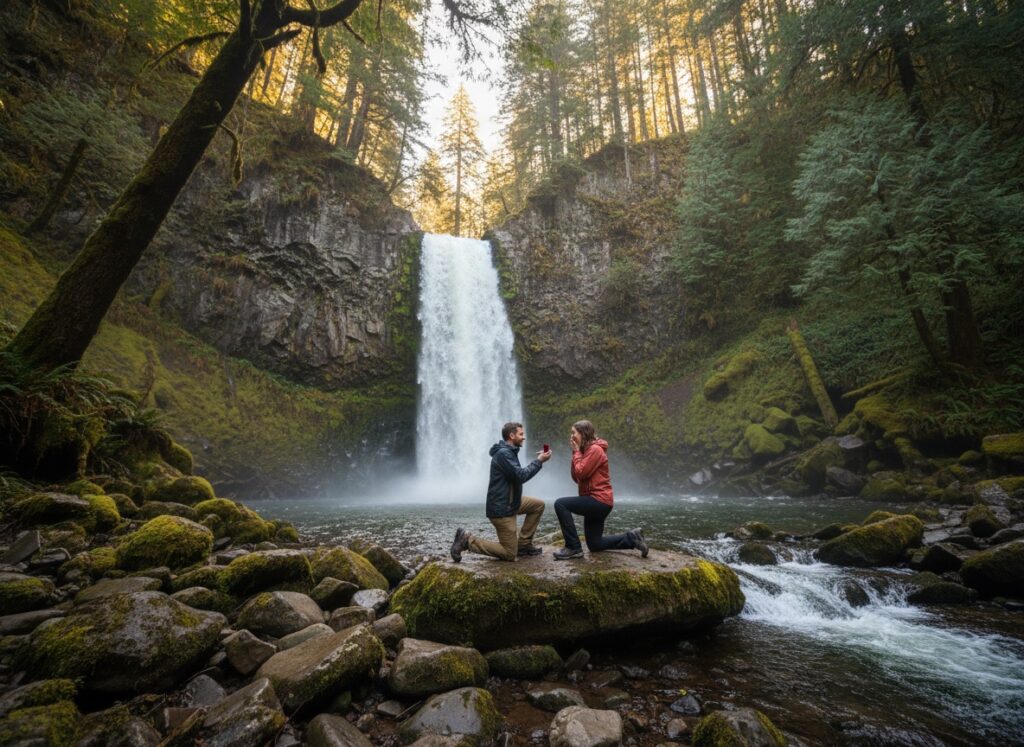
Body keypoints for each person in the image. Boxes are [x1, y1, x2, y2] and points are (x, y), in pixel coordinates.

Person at [450, 421, 552, 562]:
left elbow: (517, 475)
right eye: (521, 434)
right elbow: (520, 476)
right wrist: (539, 461)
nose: (524, 437)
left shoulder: (509, 452)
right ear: (511, 435)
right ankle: (468, 541)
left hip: (511, 501)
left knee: (538, 505)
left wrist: (538, 461)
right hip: (502, 509)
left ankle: (523, 545)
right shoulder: (504, 454)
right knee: (509, 554)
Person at [552, 419, 648, 560]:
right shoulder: (585, 451)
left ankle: (573, 547)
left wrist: (576, 452)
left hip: (598, 500)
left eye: (574, 433)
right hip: (595, 501)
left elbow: (581, 473)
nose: (571, 436)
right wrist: (576, 453)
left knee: (560, 504)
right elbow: (576, 478)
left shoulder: (595, 450)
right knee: (595, 544)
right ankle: (632, 538)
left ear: (583, 434)